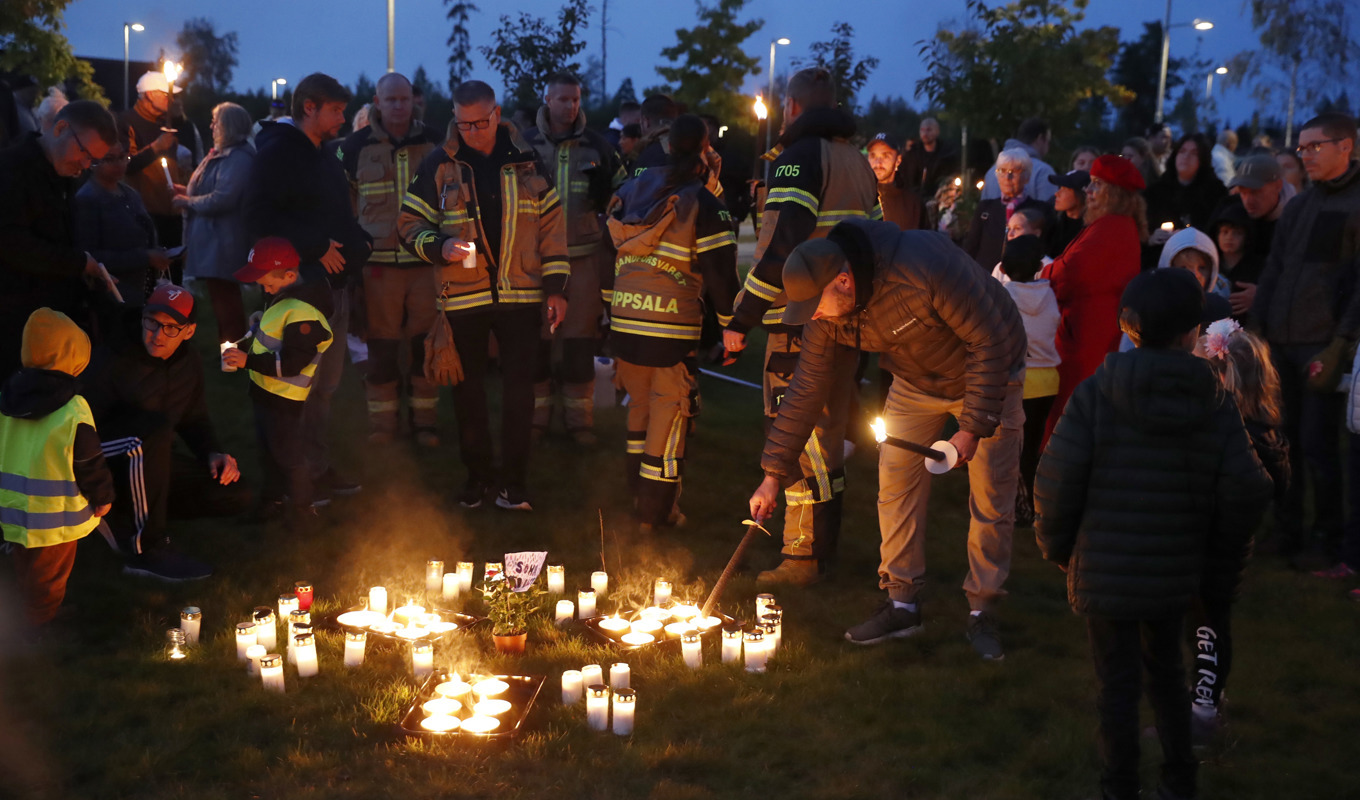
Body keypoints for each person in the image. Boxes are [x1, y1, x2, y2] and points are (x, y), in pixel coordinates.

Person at [1035, 268, 1271, 800]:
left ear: (1128, 326)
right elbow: (1248, 489)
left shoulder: (1095, 394)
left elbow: (1054, 482)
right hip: (1175, 574)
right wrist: (1217, 559)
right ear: (1193, 332)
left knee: (1115, 686)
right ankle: (1178, 781)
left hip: (1106, 571)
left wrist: (1059, 549)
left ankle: (1119, 786)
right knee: (1167, 676)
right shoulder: (1215, 403)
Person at [747, 218, 1026, 658]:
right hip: (916, 383)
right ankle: (901, 601)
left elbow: (988, 342)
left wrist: (973, 427)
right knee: (895, 488)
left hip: (991, 371)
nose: (813, 317)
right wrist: (772, 474)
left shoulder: (923, 267)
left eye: (815, 306)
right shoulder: (828, 314)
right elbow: (806, 389)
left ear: (843, 280)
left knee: (991, 496)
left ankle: (982, 609)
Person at [722, 67, 880, 586]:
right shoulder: (858, 162)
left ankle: (801, 557)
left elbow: (783, 243)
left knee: (798, 432)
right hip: (847, 319)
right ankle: (822, 551)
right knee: (829, 434)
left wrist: (741, 318)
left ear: (792, 108)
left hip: (801, 319)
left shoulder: (799, 159)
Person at [397, 80, 568, 511]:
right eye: (463, 123)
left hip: (522, 295)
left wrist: (556, 289)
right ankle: (477, 480)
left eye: (480, 122)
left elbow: (552, 229)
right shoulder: (439, 164)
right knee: (467, 392)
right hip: (463, 298)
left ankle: (514, 485)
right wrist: (439, 247)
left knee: (519, 392)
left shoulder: (529, 162)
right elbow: (407, 225)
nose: (471, 131)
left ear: (497, 114)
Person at [603, 114, 739, 531]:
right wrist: (733, 328)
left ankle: (636, 501)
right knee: (670, 416)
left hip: (625, 326)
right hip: (670, 333)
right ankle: (654, 517)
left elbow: (610, 258)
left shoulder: (629, 193)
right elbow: (720, 275)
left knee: (638, 414)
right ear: (703, 149)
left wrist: (612, 313)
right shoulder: (702, 202)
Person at [246, 73, 372, 505]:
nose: (342, 119)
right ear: (309, 108)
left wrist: (357, 246)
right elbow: (262, 217)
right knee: (293, 382)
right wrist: (314, 247)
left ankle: (313, 468)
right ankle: (289, 478)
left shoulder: (321, 154)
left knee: (324, 385)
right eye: (336, 110)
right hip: (299, 288)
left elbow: (332, 209)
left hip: (330, 287)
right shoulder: (279, 153)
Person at [84, 285, 248, 580]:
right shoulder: (112, 357)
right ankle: (145, 549)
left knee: (236, 494)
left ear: (189, 331)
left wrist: (213, 451)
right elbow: (81, 431)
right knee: (149, 432)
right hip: (102, 460)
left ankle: (133, 514)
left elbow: (193, 417)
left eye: (172, 327)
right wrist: (95, 484)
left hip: (150, 461)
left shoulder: (189, 361)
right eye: (152, 322)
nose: (158, 334)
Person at [1253, 112, 1360, 565]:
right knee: (1280, 442)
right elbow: (1275, 270)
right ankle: (1287, 529)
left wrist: (1342, 340)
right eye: (1302, 147)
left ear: (1346, 147)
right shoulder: (1299, 207)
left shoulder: (1356, 206)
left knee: (1318, 444)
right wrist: (1258, 331)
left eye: (1315, 146)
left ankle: (1327, 537)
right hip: (1281, 339)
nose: (1305, 155)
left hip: (1322, 343)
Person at [1189, 319, 1290, 744]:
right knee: (1201, 626)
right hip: (1224, 548)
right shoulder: (1265, 431)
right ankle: (1201, 698)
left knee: (1207, 629)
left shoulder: (1238, 438)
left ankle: (1204, 712)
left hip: (1215, 552)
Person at [336, 73, 442, 447]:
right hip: (376, 267)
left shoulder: (435, 142)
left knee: (424, 347)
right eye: (391, 100)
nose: (399, 105)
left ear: (414, 100)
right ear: (377, 103)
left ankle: (425, 422)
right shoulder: (353, 147)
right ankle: (383, 426)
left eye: (405, 99)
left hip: (425, 264)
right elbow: (343, 207)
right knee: (380, 348)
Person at [524, 72, 627, 445]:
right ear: (546, 99)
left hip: (584, 260)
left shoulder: (599, 147)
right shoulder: (523, 145)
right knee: (537, 342)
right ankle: (536, 421)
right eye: (563, 99)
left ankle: (579, 422)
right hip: (534, 263)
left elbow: (624, 194)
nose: (570, 106)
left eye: (576, 99)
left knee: (580, 342)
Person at [0, 308, 114, 628]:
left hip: (12, 508)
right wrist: (102, 497)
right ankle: (39, 626)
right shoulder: (73, 408)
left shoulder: (8, 397)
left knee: (25, 566)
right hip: (55, 518)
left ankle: (30, 610)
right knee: (49, 578)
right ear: (71, 357)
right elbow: (88, 461)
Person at [0, 100, 119, 378]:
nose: (86, 164)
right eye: (84, 152)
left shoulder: (64, 175)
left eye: (94, 159)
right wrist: (79, 263)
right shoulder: (11, 170)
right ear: (60, 128)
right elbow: (12, 243)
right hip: (13, 322)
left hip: (50, 318)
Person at [221, 238, 334, 525]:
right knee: (268, 453)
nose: (263, 287)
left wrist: (248, 362)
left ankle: (302, 510)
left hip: (284, 401)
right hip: (265, 393)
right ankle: (272, 500)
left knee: (290, 458)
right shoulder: (283, 301)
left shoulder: (303, 313)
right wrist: (247, 342)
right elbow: (268, 339)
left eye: (266, 282)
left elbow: (294, 363)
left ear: (289, 276)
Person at [1041, 155, 1145, 444]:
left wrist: (1044, 271)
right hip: (1086, 332)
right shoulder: (1111, 226)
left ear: (1114, 193)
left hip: (1089, 338)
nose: (1087, 191)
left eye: (1096, 185)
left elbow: (1070, 274)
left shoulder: (1111, 229)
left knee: (1072, 416)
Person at [991, 234, 1058, 529]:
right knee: (1032, 448)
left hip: (1019, 378)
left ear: (1003, 267)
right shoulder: (1050, 294)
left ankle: (1016, 507)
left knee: (1009, 447)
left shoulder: (1004, 296)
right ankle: (1033, 504)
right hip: (1048, 380)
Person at [174, 103, 255, 343]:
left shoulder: (238, 158)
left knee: (226, 302)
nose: (211, 126)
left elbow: (224, 198)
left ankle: (233, 355)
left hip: (223, 242)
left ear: (229, 126)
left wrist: (189, 201)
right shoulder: (223, 154)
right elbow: (211, 189)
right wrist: (188, 191)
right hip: (214, 241)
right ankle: (229, 352)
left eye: (216, 122)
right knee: (221, 300)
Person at [73, 140, 168, 302]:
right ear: (93, 162)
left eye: (122, 157)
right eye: (110, 159)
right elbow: (89, 255)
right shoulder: (88, 199)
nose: (118, 164)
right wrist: (145, 257)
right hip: (113, 293)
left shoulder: (130, 194)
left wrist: (158, 252)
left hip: (142, 287)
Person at [119, 71, 190, 250]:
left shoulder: (165, 124)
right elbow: (126, 165)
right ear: (150, 95)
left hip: (172, 211)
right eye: (167, 95)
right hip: (145, 212)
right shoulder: (126, 121)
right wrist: (156, 147)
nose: (172, 100)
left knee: (173, 271)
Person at [963, 147, 1052, 270]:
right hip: (985, 282)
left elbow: (1046, 249)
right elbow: (970, 248)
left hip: (1022, 282)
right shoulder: (985, 208)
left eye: (1014, 171)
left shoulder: (1041, 210)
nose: (1007, 177)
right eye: (1002, 171)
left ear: (1027, 176)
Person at [1146, 133, 1228, 237]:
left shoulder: (1215, 193)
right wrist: (1151, 237)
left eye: (1194, 153)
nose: (1186, 157)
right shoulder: (1155, 192)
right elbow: (1142, 230)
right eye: (1182, 151)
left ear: (1202, 159)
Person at [1208, 202, 1265, 322]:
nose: (1229, 237)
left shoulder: (1258, 266)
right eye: (1225, 232)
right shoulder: (1208, 264)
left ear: (1246, 237)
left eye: (1237, 233)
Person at [981, 118, 1057, 202]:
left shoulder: (992, 172)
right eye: (1048, 141)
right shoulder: (1043, 172)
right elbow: (1049, 211)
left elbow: (983, 209)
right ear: (1040, 138)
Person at [866, 134, 927, 230]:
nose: (877, 163)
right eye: (873, 156)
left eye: (885, 156)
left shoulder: (912, 204)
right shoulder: (858, 199)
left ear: (898, 160)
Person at [899, 117, 957, 196]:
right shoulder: (911, 155)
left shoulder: (946, 155)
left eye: (929, 130)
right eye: (922, 130)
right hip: (914, 200)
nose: (925, 133)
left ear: (937, 131)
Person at [1047, 169, 1088, 257]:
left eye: (1065, 189)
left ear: (1080, 195)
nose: (1057, 194)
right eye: (1060, 187)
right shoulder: (1052, 222)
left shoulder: (1090, 230)